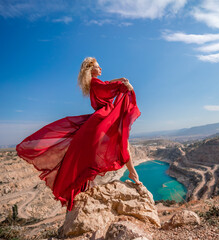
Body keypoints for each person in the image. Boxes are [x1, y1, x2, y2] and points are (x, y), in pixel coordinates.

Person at [16, 57, 141, 211]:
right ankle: (133, 174)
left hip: (101, 119)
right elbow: (109, 88)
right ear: (90, 69)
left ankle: (132, 173)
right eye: (97, 66)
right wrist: (124, 84)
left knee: (122, 144)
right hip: (102, 120)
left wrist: (120, 80)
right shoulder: (96, 83)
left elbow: (107, 84)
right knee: (121, 144)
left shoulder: (94, 83)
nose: (101, 68)